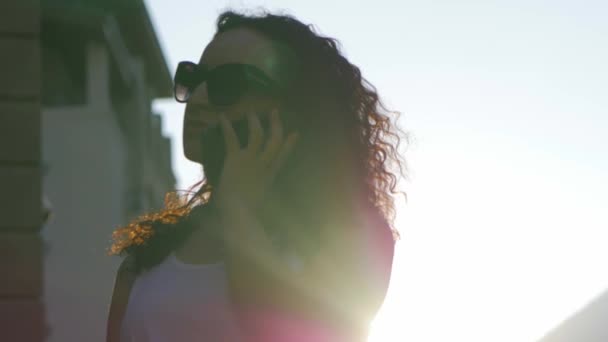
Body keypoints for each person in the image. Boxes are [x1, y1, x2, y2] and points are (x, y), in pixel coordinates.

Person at [106, 9, 409, 342]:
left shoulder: (355, 233)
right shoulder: (148, 258)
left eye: (229, 84)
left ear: (294, 109)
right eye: (195, 80)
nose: (200, 99)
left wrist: (238, 204)